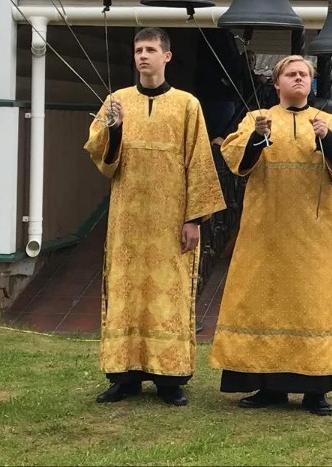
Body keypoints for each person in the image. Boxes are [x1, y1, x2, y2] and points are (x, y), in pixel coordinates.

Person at [210, 56, 332, 415]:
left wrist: (327, 140)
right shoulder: (256, 119)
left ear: (311, 82)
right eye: (291, 74)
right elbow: (237, 164)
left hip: (316, 236)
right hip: (265, 234)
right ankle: (268, 387)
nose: (298, 78)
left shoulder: (330, 122)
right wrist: (258, 137)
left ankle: (316, 390)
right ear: (277, 83)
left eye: (304, 74)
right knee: (264, 306)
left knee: (314, 307)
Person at [85, 27, 225, 407]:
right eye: (138, 50)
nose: (143, 56)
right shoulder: (116, 101)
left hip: (171, 221)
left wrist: (194, 219)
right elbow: (103, 158)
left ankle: (170, 379)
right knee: (125, 292)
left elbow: (199, 162)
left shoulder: (187, 105)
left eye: (150, 49)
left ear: (167, 56)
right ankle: (123, 376)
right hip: (127, 221)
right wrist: (114, 130)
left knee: (169, 295)